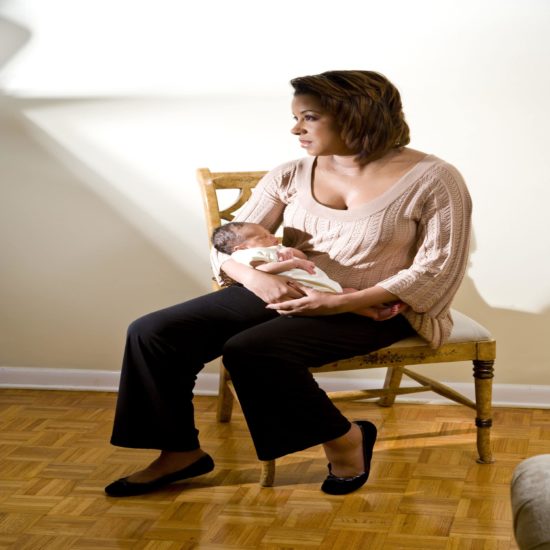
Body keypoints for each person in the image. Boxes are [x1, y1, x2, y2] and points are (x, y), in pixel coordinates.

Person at [105, 70, 472, 498]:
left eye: (309, 117)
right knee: (154, 332)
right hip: (289, 289)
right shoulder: (290, 174)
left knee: (254, 349)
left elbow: (438, 269)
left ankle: (346, 440)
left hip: (378, 307)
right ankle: (179, 452)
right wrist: (253, 278)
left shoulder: (434, 178)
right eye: (296, 118)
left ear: (356, 115)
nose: (296, 129)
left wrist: (341, 303)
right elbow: (226, 245)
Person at [212, 221, 406, 320]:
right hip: (300, 289)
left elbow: (303, 257)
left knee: (350, 293)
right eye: (263, 236)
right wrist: (292, 263)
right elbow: (264, 269)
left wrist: (291, 253)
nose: (271, 236)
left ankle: (377, 305)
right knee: (344, 298)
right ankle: (374, 314)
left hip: (318, 282)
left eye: (269, 233)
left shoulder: (273, 249)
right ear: (241, 247)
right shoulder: (246, 255)